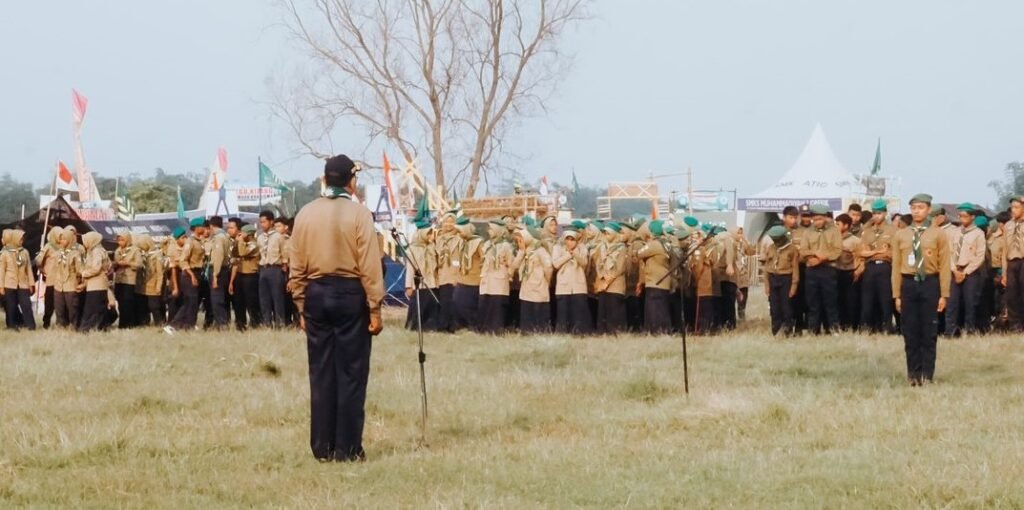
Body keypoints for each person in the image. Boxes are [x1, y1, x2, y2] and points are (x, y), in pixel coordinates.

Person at [289, 154, 384, 463]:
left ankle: (322, 447)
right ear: (351, 181)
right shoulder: (359, 214)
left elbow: (296, 267)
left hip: (316, 295)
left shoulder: (305, 213)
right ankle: (348, 448)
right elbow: (370, 265)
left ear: (325, 179)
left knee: (321, 373)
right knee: (352, 374)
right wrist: (375, 307)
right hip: (349, 294)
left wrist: (301, 306)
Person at [892, 193, 950, 386]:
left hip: (929, 283)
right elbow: (895, 268)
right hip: (908, 284)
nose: (917, 211)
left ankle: (927, 374)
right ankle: (913, 374)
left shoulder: (938, 234)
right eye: (914, 208)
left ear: (928, 209)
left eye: (921, 208)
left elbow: (944, 266)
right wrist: (896, 294)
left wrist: (944, 294)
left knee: (928, 330)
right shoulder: (901, 234)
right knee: (910, 331)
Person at [799, 204, 842, 335]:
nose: (817, 222)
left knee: (830, 301)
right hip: (812, 270)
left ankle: (833, 329)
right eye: (815, 219)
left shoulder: (834, 231)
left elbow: (837, 250)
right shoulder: (807, 232)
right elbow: (803, 249)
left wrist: (822, 258)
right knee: (813, 302)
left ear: (825, 218)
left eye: (820, 219)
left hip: (828, 269)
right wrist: (813, 257)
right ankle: (813, 330)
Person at [945, 203, 986, 337]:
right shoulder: (955, 232)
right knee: (952, 303)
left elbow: (980, 256)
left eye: (965, 216)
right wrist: (954, 270)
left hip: (970, 273)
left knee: (970, 303)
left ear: (972, 217)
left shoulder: (978, 234)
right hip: (954, 270)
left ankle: (969, 330)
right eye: (960, 216)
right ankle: (950, 331)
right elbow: (949, 252)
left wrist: (965, 272)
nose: (962, 218)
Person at [858, 199, 897, 334]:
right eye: (874, 213)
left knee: (885, 299)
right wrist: (878, 252)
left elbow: (894, 252)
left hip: (885, 267)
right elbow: (862, 252)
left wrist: (874, 253)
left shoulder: (893, 230)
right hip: (870, 268)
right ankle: (867, 327)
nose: (876, 216)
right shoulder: (867, 231)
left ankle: (887, 327)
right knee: (867, 299)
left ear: (885, 213)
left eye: (879, 213)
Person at [167, 218, 207, 333]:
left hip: (198, 272)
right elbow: (183, 260)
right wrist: (192, 276)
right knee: (189, 301)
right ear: (197, 228)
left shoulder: (199, 241)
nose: (204, 228)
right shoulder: (190, 241)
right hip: (190, 273)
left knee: (193, 303)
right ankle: (173, 325)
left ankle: (188, 326)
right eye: (202, 226)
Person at [512, 226, 553, 333]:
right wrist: (521, 251)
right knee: (527, 313)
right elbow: (515, 266)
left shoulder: (540, 250)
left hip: (539, 287)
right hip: (526, 288)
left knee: (538, 314)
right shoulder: (524, 251)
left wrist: (546, 282)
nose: (519, 241)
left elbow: (548, 268)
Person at [552, 229, 591, 335]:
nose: (570, 242)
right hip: (563, 286)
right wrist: (568, 255)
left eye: (572, 239)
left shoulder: (582, 248)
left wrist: (575, 253)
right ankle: (562, 333)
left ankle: (579, 333)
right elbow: (555, 264)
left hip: (578, 286)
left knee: (578, 312)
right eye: (567, 239)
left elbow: (584, 263)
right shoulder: (558, 248)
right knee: (563, 313)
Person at [478, 219, 514, 334]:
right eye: (489, 229)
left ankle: (496, 330)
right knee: (486, 305)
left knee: (497, 307)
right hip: (486, 280)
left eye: (491, 229)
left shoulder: (505, 246)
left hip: (499, 281)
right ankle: (485, 329)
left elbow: (511, 263)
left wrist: (508, 274)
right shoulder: (487, 244)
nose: (489, 231)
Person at [763, 225, 800, 336]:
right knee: (774, 306)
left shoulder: (792, 249)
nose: (776, 241)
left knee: (786, 306)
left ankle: (787, 330)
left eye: (778, 238)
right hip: (773, 278)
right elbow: (767, 267)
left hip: (786, 279)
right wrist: (766, 285)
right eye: (774, 239)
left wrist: (794, 286)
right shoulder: (770, 248)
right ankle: (776, 330)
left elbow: (795, 268)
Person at [638, 219, 673, 335]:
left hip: (654, 281)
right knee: (662, 308)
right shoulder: (666, 243)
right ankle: (664, 331)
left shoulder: (654, 245)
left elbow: (638, 253)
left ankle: (655, 331)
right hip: (664, 281)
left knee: (653, 309)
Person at [594, 222, 628, 334]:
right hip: (602, 284)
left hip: (615, 285)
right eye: (604, 232)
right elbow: (598, 263)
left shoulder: (622, 248)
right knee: (602, 310)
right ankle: (602, 334)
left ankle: (615, 334)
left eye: (608, 232)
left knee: (614, 311)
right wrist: (601, 277)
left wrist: (608, 281)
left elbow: (620, 267)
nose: (606, 234)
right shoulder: (602, 247)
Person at [0, 229, 36, 330]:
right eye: (20, 238)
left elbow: (29, 269)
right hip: (9, 283)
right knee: (10, 306)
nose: (22, 240)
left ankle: (30, 326)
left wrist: (31, 284)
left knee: (26, 305)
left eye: (22, 238)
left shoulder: (25, 252)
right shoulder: (5, 253)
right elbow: (1, 271)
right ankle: (11, 326)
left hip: (23, 283)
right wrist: (1, 286)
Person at [258, 211, 288, 328]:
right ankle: (267, 323)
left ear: (271, 222)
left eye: (264, 222)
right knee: (264, 298)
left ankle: (280, 323)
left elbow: (285, 253)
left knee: (277, 297)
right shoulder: (260, 237)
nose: (262, 224)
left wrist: (284, 267)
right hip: (263, 268)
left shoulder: (279, 237)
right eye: (260, 222)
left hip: (275, 268)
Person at [454, 216, 484, 331]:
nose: (458, 234)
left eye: (460, 231)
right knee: (457, 302)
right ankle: (461, 325)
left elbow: (484, 259)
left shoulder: (479, 242)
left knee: (470, 306)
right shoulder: (461, 242)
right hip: (462, 278)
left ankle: (473, 327)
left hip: (474, 280)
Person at [77, 232, 111, 333]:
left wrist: (84, 273)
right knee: (98, 308)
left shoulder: (97, 251)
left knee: (92, 309)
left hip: (97, 285)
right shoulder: (97, 250)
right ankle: (100, 328)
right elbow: (108, 266)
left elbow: (96, 268)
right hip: (96, 284)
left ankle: (87, 329)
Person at [231, 224, 262, 331]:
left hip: (250, 276)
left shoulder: (254, 245)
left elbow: (243, 253)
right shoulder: (242, 243)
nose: (240, 235)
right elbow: (234, 253)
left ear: (248, 234)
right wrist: (236, 242)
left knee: (251, 302)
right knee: (239, 301)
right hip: (240, 275)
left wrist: (240, 241)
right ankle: (240, 324)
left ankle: (255, 323)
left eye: (242, 233)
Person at [834, 214, 863, 331]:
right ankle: (840, 325)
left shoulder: (855, 241)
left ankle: (851, 326)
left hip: (850, 273)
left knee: (851, 301)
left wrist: (858, 271)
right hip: (836, 272)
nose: (836, 226)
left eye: (838, 224)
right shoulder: (833, 239)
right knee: (838, 300)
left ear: (846, 225)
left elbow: (861, 258)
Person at [435, 212, 462, 332]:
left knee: (452, 301)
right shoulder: (438, 239)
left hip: (454, 274)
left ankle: (452, 325)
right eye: (446, 221)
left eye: (451, 222)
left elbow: (461, 256)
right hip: (441, 273)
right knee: (442, 300)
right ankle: (442, 324)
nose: (448, 224)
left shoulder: (459, 239)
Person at [206, 216, 233, 329]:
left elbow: (218, 256)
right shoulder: (225, 236)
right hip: (225, 269)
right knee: (222, 298)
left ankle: (221, 324)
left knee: (217, 299)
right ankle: (224, 322)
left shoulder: (218, 238)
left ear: (211, 226)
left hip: (219, 270)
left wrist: (215, 275)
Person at [1001, 197, 1024, 331]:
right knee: (1012, 295)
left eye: (1017, 207)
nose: (1013, 210)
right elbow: (1004, 249)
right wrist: (1004, 272)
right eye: (1012, 208)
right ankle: (1016, 325)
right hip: (1011, 262)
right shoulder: (1008, 225)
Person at [134, 234, 167, 326]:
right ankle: (144, 323)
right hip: (142, 286)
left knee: (154, 306)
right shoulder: (143, 255)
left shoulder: (157, 255)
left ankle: (160, 322)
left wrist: (159, 286)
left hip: (153, 285)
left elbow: (160, 273)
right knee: (143, 306)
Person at [52, 228, 82, 328]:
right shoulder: (57, 254)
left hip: (71, 284)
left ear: (69, 240)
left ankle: (74, 326)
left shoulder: (76, 253)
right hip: (58, 285)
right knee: (59, 307)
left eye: (64, 239)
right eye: (61, 239)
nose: (62, 241)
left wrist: (80, 282)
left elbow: (80, 270)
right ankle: (60, 325)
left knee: (72, 307)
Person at [35, 227, 63, 328]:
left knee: (61, 304)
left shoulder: (64, 246)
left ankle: (61, 324)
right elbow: (38, 260)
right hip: (51, 280)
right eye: (60, 235)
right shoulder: (49, 246)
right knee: (49, 304)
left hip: (62, 281)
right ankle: (46, 323)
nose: (61, 237)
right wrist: (43, 270)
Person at [112, 232, 142, 328]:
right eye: (119, 240)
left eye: (122, 240)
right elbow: (115, 264)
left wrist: (128, 263)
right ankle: (122, 323)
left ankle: (130, 323)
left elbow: (139, 264)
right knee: (120, 302)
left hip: (130, 280)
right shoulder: (117, 251)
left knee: (128, 302)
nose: (120, 242)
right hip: (119, 280)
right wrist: (116, 264)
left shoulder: (135, 250)